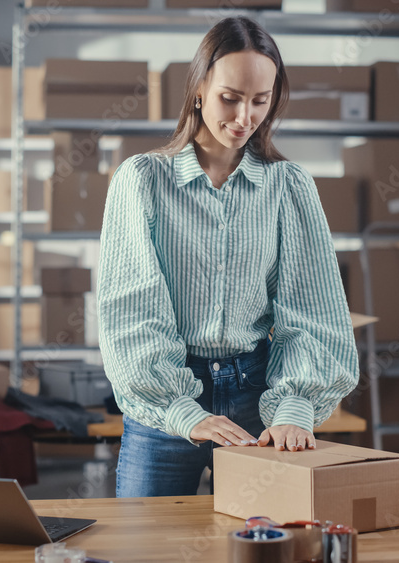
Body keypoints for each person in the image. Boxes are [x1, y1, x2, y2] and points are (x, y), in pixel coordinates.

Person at [98, 16, 359, 498]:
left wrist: (297, 406)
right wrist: (179, 409)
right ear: (198, 88)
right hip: (168, 402)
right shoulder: (141, 182)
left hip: (260, 401)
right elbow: (130, 311)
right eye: (230, 98)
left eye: (261, 101)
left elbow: (313, 308)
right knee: (144, 547)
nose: (245, 117)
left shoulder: (289, 186)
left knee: (260, 545)